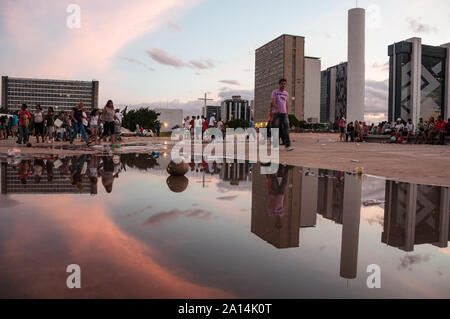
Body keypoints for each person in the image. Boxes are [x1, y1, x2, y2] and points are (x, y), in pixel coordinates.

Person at [271, 78, 293, 151]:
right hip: (276, 114)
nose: (283, 85)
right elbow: (273, 102)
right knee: (276, 129)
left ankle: (288, 146)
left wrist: (287, 112)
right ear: (279, 84)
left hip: (284, 114)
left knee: (286, 129)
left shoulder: (286, 93)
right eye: (282, 84)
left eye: (284, 84)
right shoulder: (275, 92)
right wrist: (277, 109)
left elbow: (286, 103)